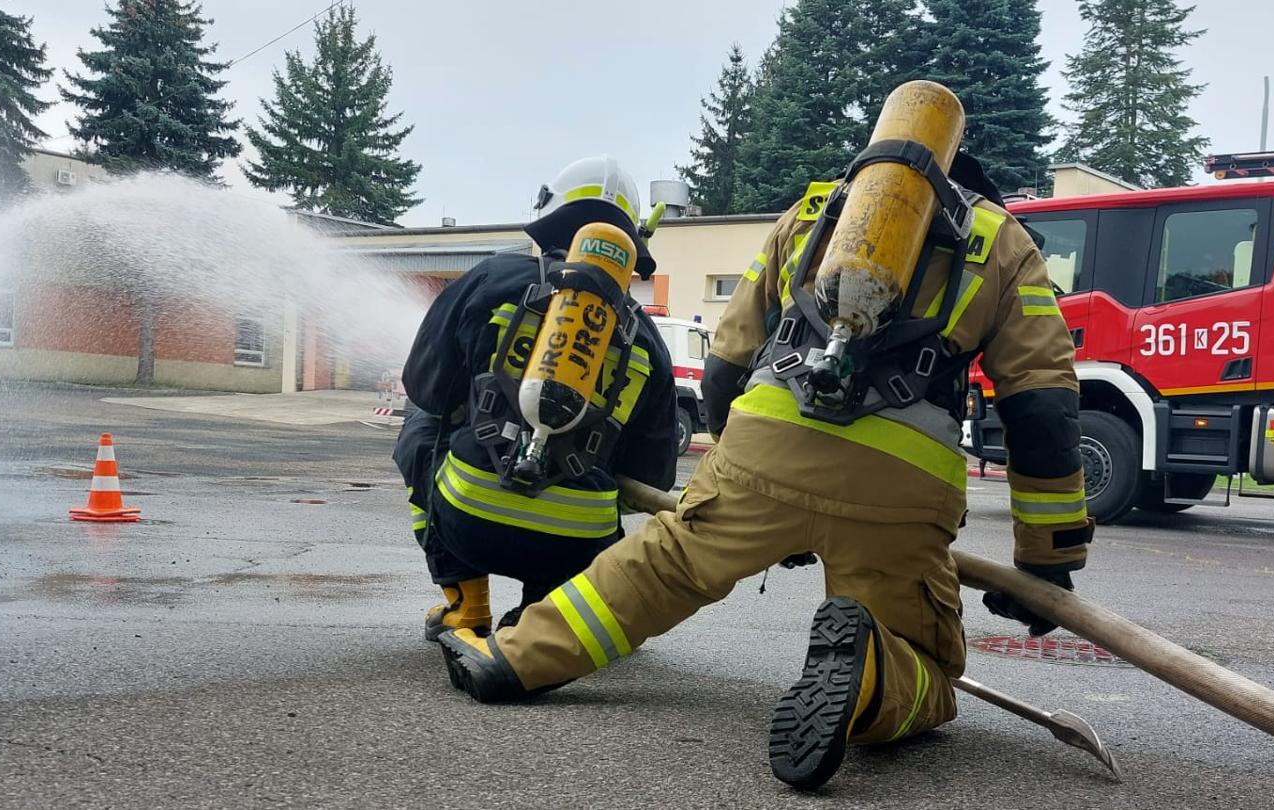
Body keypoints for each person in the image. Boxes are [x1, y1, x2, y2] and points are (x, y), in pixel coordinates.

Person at [437, 110, 1089, 790]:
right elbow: (1041, 405)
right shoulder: (1005, 241)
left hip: (763, 443)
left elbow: (727, 359)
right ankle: (870, 671)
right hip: (899, 485)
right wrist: (1047, 561)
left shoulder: (812, 212)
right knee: (927, 663)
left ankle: (514, 658)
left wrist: (744, 476)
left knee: (661, 566)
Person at [395, 155, 679, 639]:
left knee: (420, 421)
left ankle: (467, 606)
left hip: (469, 518)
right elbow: (652, 474)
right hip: (579, 542)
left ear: (551, 220)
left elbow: (426, 388)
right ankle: (542, 614)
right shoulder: (647, 337)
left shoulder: (492, 278)